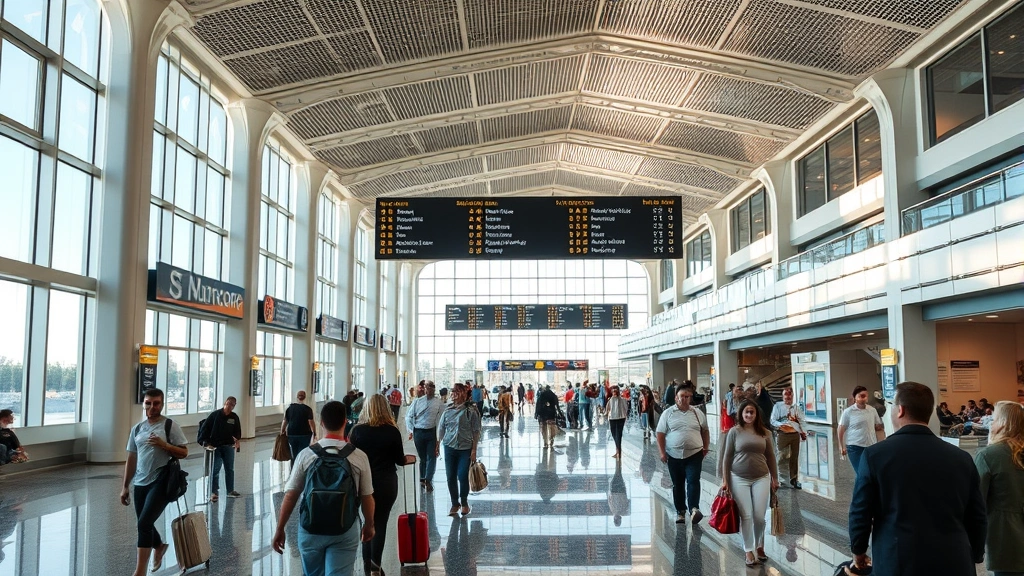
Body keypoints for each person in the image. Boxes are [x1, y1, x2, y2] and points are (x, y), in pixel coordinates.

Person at [848, 381, 986, 575]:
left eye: (891, 407)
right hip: (954, 561)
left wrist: (858, 551)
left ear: (900, 410)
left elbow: (860, 511)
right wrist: (977, 554)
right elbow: (977, 516)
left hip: (897, 560)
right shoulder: (961, 458)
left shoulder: (875, 456)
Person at [272, 401, 375, 576]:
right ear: (345, 422)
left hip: (310, 528)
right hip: (345, 527)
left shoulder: (306, 454)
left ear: (321, 422)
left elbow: (291, 495)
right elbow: (367, 497)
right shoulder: (359, 456)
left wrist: (280, 528)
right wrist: (369, 525)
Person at [120, 388, 188, 576]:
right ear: (144, 404)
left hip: (161, 480)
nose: (152, 407)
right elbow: (131, 458)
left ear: (162, 404)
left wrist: (164, 445)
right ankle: (158, 546)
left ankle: (139, 572)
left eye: (156, 403)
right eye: (148, 403)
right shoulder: (138, 429)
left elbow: (184, 452)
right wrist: (125, 486)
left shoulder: (169, 426)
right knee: (144, 523)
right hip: (140, 483)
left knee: (143, 523)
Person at [349, 394, 416, 575]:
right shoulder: (391, 431)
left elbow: (350, 458)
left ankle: (365, 566)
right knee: (380, 522)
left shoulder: (357, 431)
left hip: (362, 483)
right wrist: (408, 460)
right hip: (386, 482)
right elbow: (399, 460)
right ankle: (376, 567)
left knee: (366, 522)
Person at [720, 400, 780, 567]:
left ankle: (760, 545)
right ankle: (748, 549)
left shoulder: (766, 433)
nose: (749, 415)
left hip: (761, 477)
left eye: (752, 412)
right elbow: (727, 457)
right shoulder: (734, 432)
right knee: (746, 515)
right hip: (738, 478)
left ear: (757, 414)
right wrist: (725, 480)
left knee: (759, 516)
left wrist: (775, 478)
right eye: (746, 412)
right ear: (741, 413)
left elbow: (771, 456)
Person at [974, 401, 1024, 576]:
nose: (990, 425)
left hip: (1006, 539)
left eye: (993, 420)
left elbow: (977, 503)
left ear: (1003, 423)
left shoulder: (988, 456)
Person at [656, 384, 710, 524]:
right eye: (682, 396)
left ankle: (694, 509)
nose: (685, 399)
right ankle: (680, 511)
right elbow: (660, 433)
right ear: (676, 398)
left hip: (694, 454)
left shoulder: (697, 413)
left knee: (693, 481)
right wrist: (662, 452)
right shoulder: (668, 413)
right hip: (673, 455)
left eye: (688, 396)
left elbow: (705, 430)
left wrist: (706, 447)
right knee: (678, 484)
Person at [436, 383, 481, 517]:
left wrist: (474, 450)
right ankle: (455, 503)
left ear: (464, 394)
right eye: (453, 391)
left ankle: (465, 503)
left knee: (462, 476)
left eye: (457, 391)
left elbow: (476, 431)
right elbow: (441, 428)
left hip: (465, 448)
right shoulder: (447, 410)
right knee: (450, 477)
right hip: (449, 447)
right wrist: (438, 443)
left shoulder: (471, 411)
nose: (454, 394)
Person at [198, 396, 242, 502]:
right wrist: (205, 442)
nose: (229, 406)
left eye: (232, 404)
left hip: (228, 446)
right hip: (216, 446)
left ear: (234, 406)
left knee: (229, 469)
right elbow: (205, 428)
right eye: (228, 403)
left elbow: (237, 432)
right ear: (224, 403)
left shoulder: (234, 417)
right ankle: (213, 492)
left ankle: (230, 490)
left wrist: (236, 440)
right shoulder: (215, 415)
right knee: (215, 469)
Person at [406, 380, 445, 492]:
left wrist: (440, 435)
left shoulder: (438, 403)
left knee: (432, 457)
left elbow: (442, 418)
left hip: (431, 432)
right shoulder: (417, 402)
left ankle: (428, 479)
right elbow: (408, 416)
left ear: (434, 389)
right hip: (418, 432)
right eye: (427, 387)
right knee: (422, 458)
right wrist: (411, 430)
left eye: (432, 387)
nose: (429, 389)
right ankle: (422, 478)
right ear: (424, 389)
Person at [837, 386, 884, 476]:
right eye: (862, 396)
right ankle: (861, 489)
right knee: (862, 473)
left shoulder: (872, 410)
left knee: (869, 473)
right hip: (854, 447)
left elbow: (878, 427)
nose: (865, 399)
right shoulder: (848, 412)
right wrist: (841, 446)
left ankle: (866, 489)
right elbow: (841, 429)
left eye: (866, 396)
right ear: (855, 397)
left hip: (870, 446)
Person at [770, 387, 806, 489]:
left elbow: (802, 420)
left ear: (792, 396)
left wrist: (803, 432)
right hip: (782, 434)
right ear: (783, 396)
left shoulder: (796, 407)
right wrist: (782, 425)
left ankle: (794, 479)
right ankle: (778, 479)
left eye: (789, 394)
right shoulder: (778, 406)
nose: (787, 397)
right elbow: (772, 420)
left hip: (794, 435)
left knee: (794, 457)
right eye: (786, 394)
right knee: (780, 457)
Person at [283, 391, 316, 465]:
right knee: (302, 453)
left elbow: (285, 421)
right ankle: (301, 468)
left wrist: (282, 431)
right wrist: (314, 432)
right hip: (305, 434)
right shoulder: (308, 409)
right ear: (305, 397)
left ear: (297, 397)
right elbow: (311, 422)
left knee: (294, 453)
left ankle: (293, 468)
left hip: (292, 434)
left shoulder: (290, 408)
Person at [604, 385, 628, 459]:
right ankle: (618, 450)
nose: (614, 393)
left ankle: (618, 452)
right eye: (613, 391)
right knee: (614, 434)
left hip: (620, 418)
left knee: (619, 434)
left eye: (615, 391)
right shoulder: (610, 400)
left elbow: (626, 408)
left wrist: (624, 415)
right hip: (612, 419)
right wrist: (605, 414)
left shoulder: (622, 400)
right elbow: (607, 409)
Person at [536, 385, 560, 449]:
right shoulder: (553, 395)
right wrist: (560, 413)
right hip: (551, 414)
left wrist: (536, 413)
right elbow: (557, 406)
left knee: (544, 429)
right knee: (552, 428)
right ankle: (551, 440)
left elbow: (538, 405)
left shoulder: (541, 395)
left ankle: (545, 442)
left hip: (543, 414)